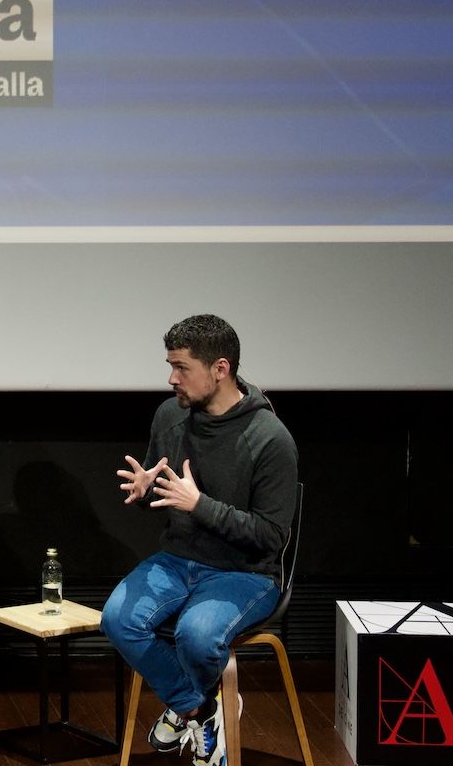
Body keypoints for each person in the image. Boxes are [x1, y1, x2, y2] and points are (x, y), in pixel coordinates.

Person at [100, 314, 298, 766]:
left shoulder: (270, 439)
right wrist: (145, 487)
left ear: (220, 369)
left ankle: (186, 706)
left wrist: (201, 505)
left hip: (245, 573)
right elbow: (162, 480)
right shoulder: (171, 414)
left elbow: (271, 536)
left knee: (197, 635)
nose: (172, 379)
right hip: (180, 558)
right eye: (169, 365)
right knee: (118, 619)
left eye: (182, 368)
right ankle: (201, 709)